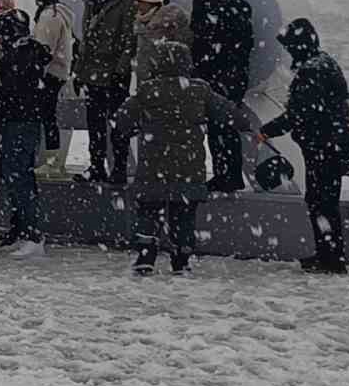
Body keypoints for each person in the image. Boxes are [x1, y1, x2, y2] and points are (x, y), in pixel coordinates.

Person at [112, 41, 262, 275]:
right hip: (188, 166)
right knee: (184, 216)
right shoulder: (199, 90)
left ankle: (145, 258)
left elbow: (121, 120)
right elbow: (229, 113)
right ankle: (181, 260)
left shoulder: (148, 90)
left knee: (148, 213)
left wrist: (135, 127)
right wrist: (247, 126)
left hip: (154, 165)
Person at [257, 18, 349, 274]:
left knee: (321, 202)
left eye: (290, 46)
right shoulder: (325, 62)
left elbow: (300, 113)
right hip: (329, 144)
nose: (289, 52)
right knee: (324, 201)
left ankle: (331, 260)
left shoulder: (312, 70)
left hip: (321, 145)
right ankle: (328, 255)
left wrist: (267, 131)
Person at [0, 11, 53, 258]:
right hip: (18, 120)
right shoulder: (25, 52)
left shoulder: (22, 54)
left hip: (20, 121)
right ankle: (24, 229)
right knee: (17, 174)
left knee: (19, 176)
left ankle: (33, 234)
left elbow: (12, 88)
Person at [191, 0, 255, 193]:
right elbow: (199, 41)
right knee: (217, 129)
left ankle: (230, 175)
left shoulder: (234, 6)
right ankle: (223, 174)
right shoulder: (202, 4)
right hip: (213, 76)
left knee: (225, 128)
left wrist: (221, 69)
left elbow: (240, 45)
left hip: (227, 77)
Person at [74, 0, 135, 185]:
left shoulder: (126, 4)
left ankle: (119, 167)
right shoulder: (91, 1)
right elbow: (85, 43)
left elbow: (129, 40)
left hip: (113, 74)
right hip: (92, 74)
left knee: (118, 125)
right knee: (95, 125)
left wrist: (120, 70)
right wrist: (79, 72)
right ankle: (97, 165)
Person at [31, 0, 76, 164]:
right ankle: (52, 159)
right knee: (49, 116)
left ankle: (51, 160)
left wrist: (34, 73)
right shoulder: (60, 14)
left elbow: (43, 50)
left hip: (48, 74)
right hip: (58, 72)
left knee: (46, 117)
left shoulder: (49, 16)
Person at [132, 0, 192, 85]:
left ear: (153, 2)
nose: (138, 4)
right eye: (137, 0)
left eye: (141, 1)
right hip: (147, 86)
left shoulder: (170, 25)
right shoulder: (141, 23)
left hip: (165, 87)